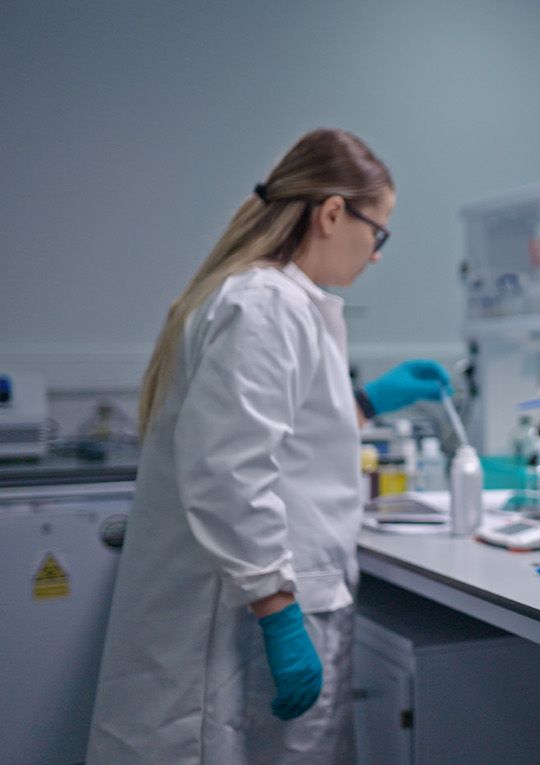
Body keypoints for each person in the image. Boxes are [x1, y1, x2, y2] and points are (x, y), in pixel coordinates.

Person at [87, 128, 449, 763]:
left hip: (271, 594)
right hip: (250, 610)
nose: (377, 254)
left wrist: (364, 403)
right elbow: (229, 470)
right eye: (378, 233)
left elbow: (281, 437)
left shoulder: (280, 301)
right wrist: (278, 612)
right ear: (333, 213)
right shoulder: (266, 304)